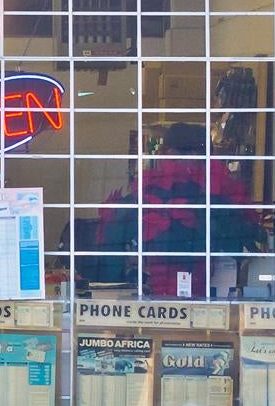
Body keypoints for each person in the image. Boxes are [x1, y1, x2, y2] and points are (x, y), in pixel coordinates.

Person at [94, 122, 266, 298]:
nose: (175, 162)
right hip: (180, 294)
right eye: (172, 157)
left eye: (176, 156)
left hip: (183, 293)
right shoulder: (212, 191)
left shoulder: (210, 192)